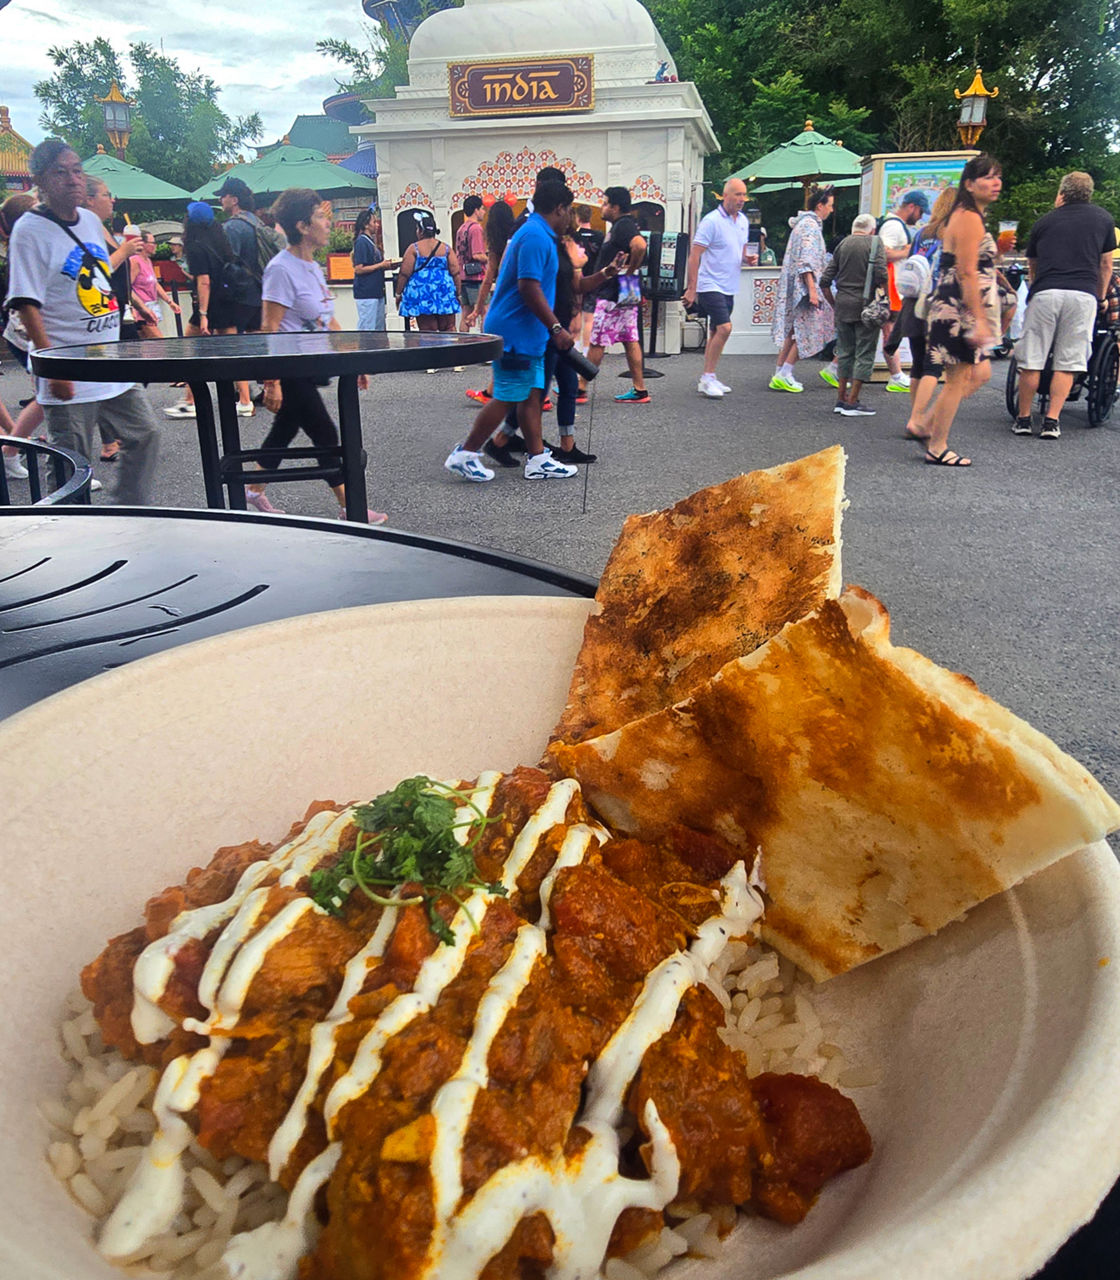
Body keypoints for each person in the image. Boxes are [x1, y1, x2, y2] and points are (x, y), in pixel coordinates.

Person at [4, 139, 160, 504]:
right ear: (39, 180)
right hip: (67, 363)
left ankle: (130, 510)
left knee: (145, 433)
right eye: (61, 172)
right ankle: (68, 532)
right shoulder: (30, 230)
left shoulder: (89, 221)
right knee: (71, 464)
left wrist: (133, 303)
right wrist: (53, 365)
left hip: (108, 361)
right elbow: (26, 303)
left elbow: (99, 274)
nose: (73, 179)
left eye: (77, 170)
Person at [242, 186, 386, 524]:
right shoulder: (281, 269)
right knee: (325, 433)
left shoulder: (310, 266)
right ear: (302, 226)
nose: (328, 223)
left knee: (285, 429)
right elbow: (270, 327)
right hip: (291, 367)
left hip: (310, 366)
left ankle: (252, 489)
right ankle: (350, 505)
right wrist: (272, 380)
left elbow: (328, 320)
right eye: (321, 216)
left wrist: (352, 361)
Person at [444, 179, 580, 483]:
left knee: (531, 393)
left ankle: (537, 458)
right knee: (507, 395)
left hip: (526, 332)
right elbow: (528, 286)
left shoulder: (537, 232)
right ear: (559, 209)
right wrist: (556, 327)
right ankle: (465, 454)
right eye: (569, 210)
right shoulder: (535, 236)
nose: (571, 217)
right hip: (516, 330)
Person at [1013, 171, 1117, 440]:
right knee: (1068, 361)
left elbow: (1032, 263)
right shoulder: (1104, 220)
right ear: (1089, 193)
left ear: (1062, 192)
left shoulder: (1045, 221)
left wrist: (1035, 286)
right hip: (1082, 294)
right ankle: (1051, 422)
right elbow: (1106, 265)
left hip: (1046, 292)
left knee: (1032, 358)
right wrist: (1101, 296)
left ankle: (1024, 418)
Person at [923, 153, 1004, 467]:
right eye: (988, 177)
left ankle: (928, 428)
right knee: (956, 380)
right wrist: (979, 320)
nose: (996, 182)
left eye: (998, 176)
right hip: (959, 306)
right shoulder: (969, 217)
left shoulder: (966, 214)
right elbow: (967, 271)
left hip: (953, 302)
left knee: (965, 376)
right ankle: (937, 445)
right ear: (969, 184)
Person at [164, 202, 254, 418]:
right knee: (232, 352)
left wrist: (203, 314)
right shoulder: (220, 240)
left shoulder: (195, 246)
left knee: (190, 350)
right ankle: (245, 401)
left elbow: (203, 281)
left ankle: (191, 401)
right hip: (227, 299)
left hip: (210, 304)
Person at [894, 187, 954, 442]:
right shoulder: (951, 233)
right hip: (938, 302)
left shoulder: (922, 233)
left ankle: (914, 415)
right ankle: (918, 421)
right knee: (934, 365)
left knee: (918, 363)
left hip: (914, 302)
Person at [682, 177, 751, 398]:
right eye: (738, 195)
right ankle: (707, 377)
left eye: (744, 195)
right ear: (726, 195)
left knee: (715, 331)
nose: (742, 199)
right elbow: (694, 255)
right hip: (710, 284)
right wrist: (692, 288)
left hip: (729, 285)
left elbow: (738, 251)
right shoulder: (711, 221)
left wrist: (748, 259)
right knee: (725, 328)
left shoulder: (743, 221)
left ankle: (709, 377)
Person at [819, 213, 887, 416]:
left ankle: (840, 399)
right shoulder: (875, 243)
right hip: (866, 306)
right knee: (864, 352)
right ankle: (853, 401)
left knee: (845, 351)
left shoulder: (843, 244)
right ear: (872, 230)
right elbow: (882, 275)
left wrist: (834, 302)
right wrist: (886, 300)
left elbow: (825, 281)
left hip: (843, 305)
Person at [586, 186, 649, 404]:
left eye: (604, 203)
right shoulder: (624, 225)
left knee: (597, 340)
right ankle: (639, 389)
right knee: (630, 339)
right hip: (625, 291)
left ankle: (579, 387)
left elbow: (640, 245)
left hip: (613, 294)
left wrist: (628, 271)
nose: (602, 208)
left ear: (615, 207)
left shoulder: (623, 225)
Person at [770, 186, 835, 392]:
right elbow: (806, 260)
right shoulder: (810, 227)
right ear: (820, 206)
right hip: (805, 287)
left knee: (793, 330)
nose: (831, 210)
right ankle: (786, 372)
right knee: (808, 328)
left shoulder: (802, 225)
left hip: (796, 285)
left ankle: (780, 371)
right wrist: (813, 290)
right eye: (830, 206)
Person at [1, 192, 44, 480]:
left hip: (22, 330)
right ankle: (12, 448)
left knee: (49, 397)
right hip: (26, 331)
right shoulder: (24, 245)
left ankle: (12, 446)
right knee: (52, 396)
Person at [878, 188, 931, 393]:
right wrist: (907, 251)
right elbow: (884, 252)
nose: (919, 218)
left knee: (883, 330)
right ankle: (896, 375)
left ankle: (836, 368)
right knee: (890, 331)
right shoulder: (893, 226)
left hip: (891, 286)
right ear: (912, 207)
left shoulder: (892, 224)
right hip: (890, 287)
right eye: (920, 212)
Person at [464, 200, 516, 403]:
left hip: (505, 299)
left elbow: (488, 278)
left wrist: (477, 309)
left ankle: (493, 391)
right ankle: (540, 394)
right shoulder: (517, 240)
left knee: (500, 345)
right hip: (525, 296)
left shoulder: (496, 246)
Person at [394, 211, 461, 333]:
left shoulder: (414, 249)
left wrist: (398, 294)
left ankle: (431, 352)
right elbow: (455, 272)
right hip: (444, 292)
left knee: (428, 331)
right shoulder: (446, 248)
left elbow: (404, 273)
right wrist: (458, 294)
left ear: (420, 231)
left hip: (422, 294)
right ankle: (450, 352)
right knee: (448, 328)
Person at [128, 229, 181, 340]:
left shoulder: (147, 261)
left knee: (149, 347)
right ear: (143, 244)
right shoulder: (135, 261)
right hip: (141, 311)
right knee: (159, 342)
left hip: (151, 308)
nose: (155, 245)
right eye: (153, 243)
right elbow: (128, 286)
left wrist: (169, 301)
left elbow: (155, 284)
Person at [351, 208, 396, 331]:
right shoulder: (361, 242)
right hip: (367, 292)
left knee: (378, 328)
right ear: (366, 225)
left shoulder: (371, 241)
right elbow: (359, 269)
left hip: (376, 291)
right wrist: (381, 265)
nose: (377, 225)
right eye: (374, 222)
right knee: (368, 327)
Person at [574, 204, 604, 362]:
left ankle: (576, 346)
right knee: (589, 318)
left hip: (577, 279)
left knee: (576, 314)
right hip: (594, 279)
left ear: (577, 218)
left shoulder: (574, 237)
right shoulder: (599, 236)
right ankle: (587, 350)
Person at [455, 195, 488, 331]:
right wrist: (489, 258)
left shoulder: (461, 229)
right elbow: (477, 254)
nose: (484, 212)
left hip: (463, 276)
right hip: (476, 277)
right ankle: (486, 342)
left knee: (466, 312)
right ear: (476, 210)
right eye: (482, 209)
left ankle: (463, 344)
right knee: (485, 310)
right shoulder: (476, 229)